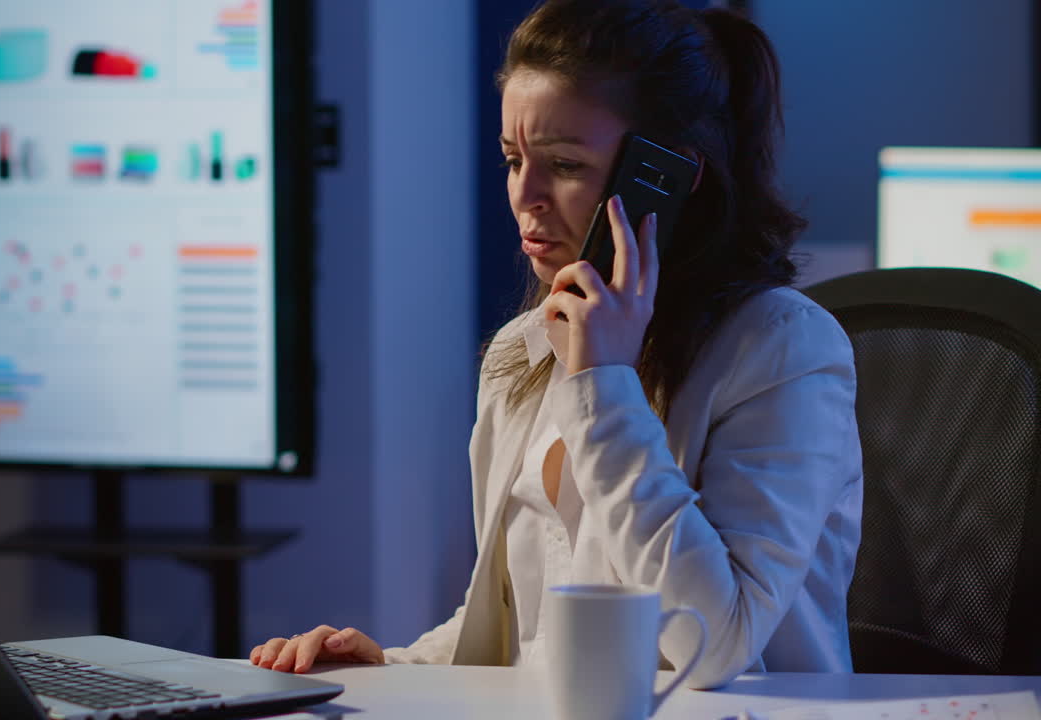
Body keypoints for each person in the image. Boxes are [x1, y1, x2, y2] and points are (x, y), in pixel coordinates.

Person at [250, 0, 862, 689]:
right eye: (514, 159)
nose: (526, 195)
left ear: (665, 176)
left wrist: (602, 387)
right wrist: (390, 669)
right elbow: (527, 631)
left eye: (565, 164)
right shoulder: (525, 348)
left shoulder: (783, 349)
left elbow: (713, 642)